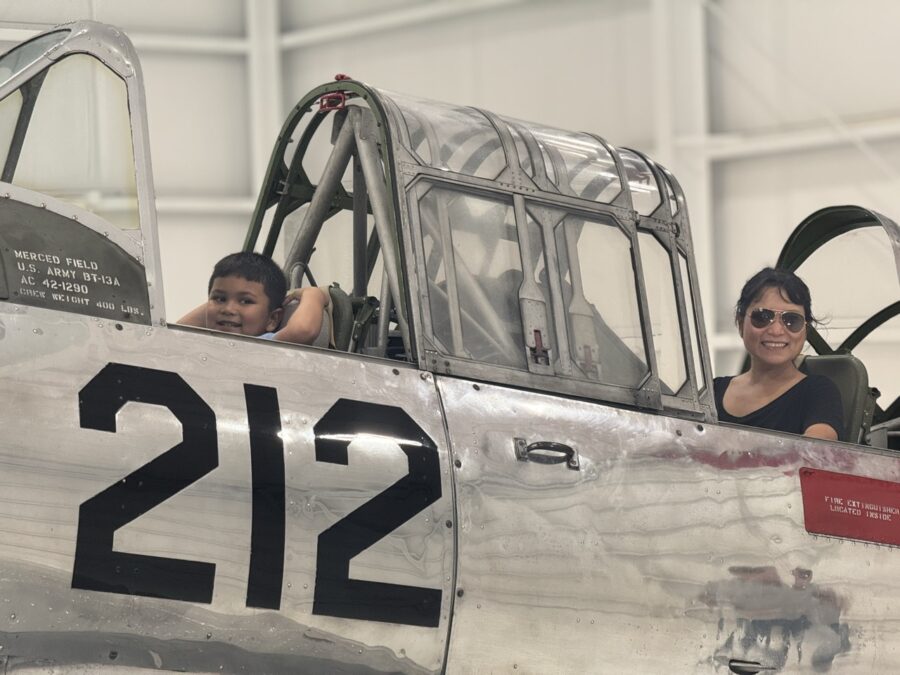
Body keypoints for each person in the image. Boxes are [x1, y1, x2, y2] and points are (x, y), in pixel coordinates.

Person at [714, 267, 843, 440]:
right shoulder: (712, 391)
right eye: (762, 317)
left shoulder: (818, 392)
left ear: (805, 330)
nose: (776, 330)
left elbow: (817, 453)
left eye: (791, 320)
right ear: (740, 323)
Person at [178, 251, 330, 345]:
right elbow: (179, 331)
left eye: (245, 301)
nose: (228, 309)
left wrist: (313, 294)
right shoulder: (205, 342)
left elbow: (303, 330)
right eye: (220, 299)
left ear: (272, 320)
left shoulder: (263, 346)